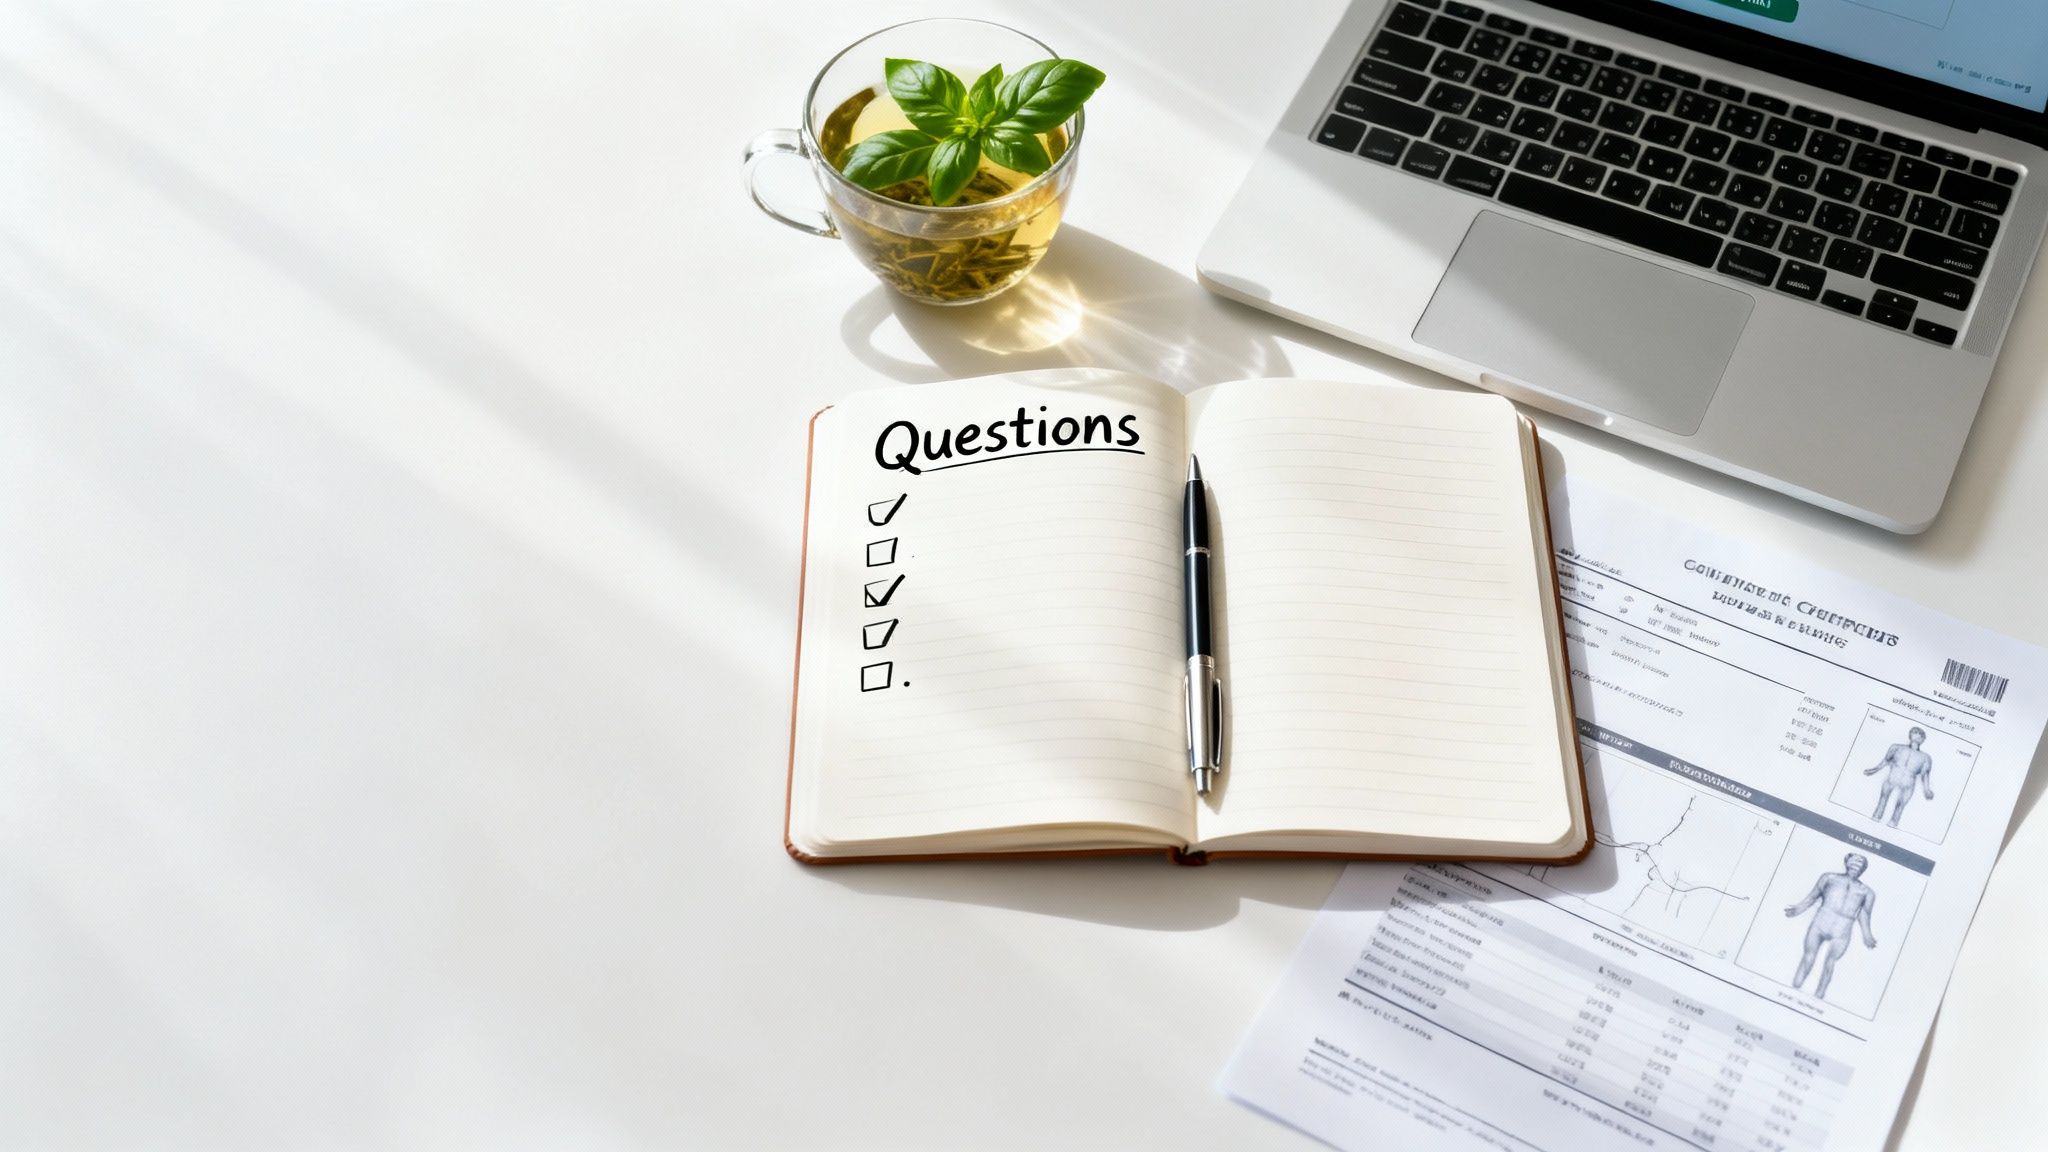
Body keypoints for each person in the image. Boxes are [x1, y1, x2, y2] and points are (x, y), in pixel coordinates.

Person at [1784, 853, 1877, 999]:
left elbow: (1864, 914)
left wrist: (1867, 935)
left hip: (1842, 929)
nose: (1856, 867)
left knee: (1830, 962)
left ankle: (1819, 995)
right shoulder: (1828, 878)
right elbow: (1812, 897)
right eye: (1854, 863)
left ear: (1863, 869)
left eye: (1860, 865)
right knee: (1809, 956)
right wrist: (1798, 909)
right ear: (1846, 863)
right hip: (1821, 922)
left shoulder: (1867, 892)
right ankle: (1794, 987)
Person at [1864, 727, 1933, 827]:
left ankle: (1893, 824)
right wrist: (1874, 770)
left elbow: (1925, 774)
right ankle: (1874, 820)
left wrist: (1926, 789)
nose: (1918, 735)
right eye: (1915, 732)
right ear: (1910, 734)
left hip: (1908, 783)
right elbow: (1886, 761)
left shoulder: (1926, 757)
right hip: (1892, 779)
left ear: (1923, 739)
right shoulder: (1896, 747)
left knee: (1900, 806)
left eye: (1921, 734)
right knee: (1882, 801)